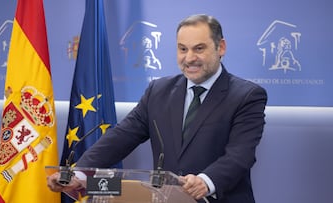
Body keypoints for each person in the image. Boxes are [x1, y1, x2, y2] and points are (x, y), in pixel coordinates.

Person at [47, 14, 267, 203]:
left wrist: (205, 181)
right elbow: (121, 137)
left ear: (221, 47)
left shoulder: (247, 96)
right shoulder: (159, 91)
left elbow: (240, 155)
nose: (189, 58)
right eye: (182, 49)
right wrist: (78, 174)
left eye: (199, 48)